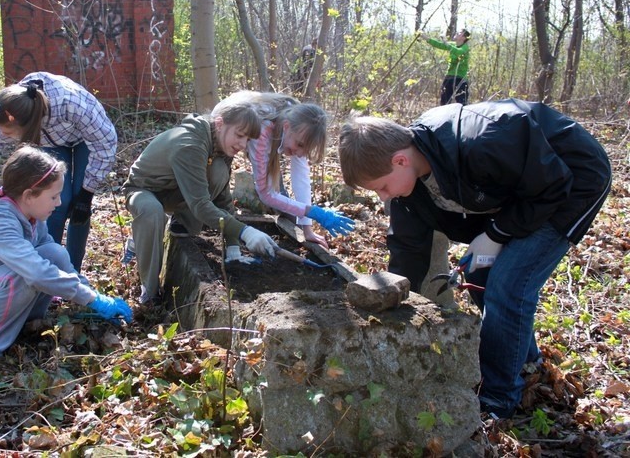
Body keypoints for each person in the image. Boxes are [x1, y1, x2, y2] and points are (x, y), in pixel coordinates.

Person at [338, 99, 611, 418]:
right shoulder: (408, 190)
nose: (384, 197)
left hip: (571, 181)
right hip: (522, 197)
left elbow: (551, 186)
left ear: (400, 160)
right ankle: (526, 361)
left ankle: (499, 398)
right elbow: (408, 252)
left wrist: (494, 236)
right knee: (480, 277)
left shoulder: (479, 141)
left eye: (382, 188)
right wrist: (395, 304)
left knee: (509, 285)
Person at [0, 146, 132, 360]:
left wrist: (92, 294)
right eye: (54, 196)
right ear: (29, 195)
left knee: (53, 252)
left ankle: (24, 324)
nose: (59, 203)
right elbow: (37, 272)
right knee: (22, 274)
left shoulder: (31, 216)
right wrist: (93, 299)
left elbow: (52, 259)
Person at [0, 72, 117, 272]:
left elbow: (105, 144)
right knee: (53, 202)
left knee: (77, 205)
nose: (4, 136)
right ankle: (48, 270)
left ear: (27, 126)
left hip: (87, 139)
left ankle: (72, 273)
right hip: (49, 141)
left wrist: (86, 194)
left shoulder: (71, 103)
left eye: (8, 134)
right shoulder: (11, 111)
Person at [122, 96, 279, 305]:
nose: (242, 145)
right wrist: (244, 231)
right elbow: (200, 205)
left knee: (217, 171)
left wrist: (233, 248)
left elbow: (222, 194)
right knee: (152, 212)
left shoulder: (220, 143)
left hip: (175, 189)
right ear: (221, 123)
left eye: (248, 140)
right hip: (145, 190)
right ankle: (149, 294)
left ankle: (181, 225)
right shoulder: (190, 143)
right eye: (240, 135)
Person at [214, 91, 354, 249]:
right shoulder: (263, 132)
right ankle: (226, 237)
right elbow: (266, 194)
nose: (300, 153)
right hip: (224, 129)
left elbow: (301, 180)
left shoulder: (298, 126)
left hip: (267, 134)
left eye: (305, 149)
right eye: (300, 145)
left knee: (284, 200)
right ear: (286, 127)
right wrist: (312, 211)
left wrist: (307, 229)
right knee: (218, 180)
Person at [421, 29, 470, 105]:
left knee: (462, 103)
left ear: (464, 38)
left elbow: (458, 52)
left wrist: (446, 43)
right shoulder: (452, 44)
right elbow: (438, 44)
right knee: (444, 102)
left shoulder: (465, 47)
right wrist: (425, 37)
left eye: (460, 33)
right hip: (449, 76)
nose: (457, 33)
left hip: (460, 79)